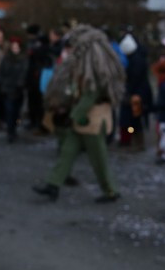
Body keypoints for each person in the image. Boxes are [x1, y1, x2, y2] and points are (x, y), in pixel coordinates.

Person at [33, 26, 126, 202]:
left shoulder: (97, 72)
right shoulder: (85, 69)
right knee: (67, 152)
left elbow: (90, 96)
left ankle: (111, 191)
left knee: (99, 159)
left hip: (94, 120)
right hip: (82, 120)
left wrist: (74, 115)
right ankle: (53, 185)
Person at [118, 32, 152, 151]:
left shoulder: (135, 61)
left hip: (136, 94)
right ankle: (134, 141)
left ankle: (136, 142)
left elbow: (134, 78)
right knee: (133, 119)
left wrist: (129, 91)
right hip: (137, 92)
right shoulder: (138, 58)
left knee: (134, 120)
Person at [0, 36, 29, 143]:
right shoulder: (6, 59)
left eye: (17, 47)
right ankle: (10, 131)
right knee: (10, 111)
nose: (15, 49)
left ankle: (13, 129)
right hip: (8, 88)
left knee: (16, 111)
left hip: (18, 89)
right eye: (13, 47)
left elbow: (24, 73)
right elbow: (1, 72)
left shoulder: (23, 59)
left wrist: (20, 84)